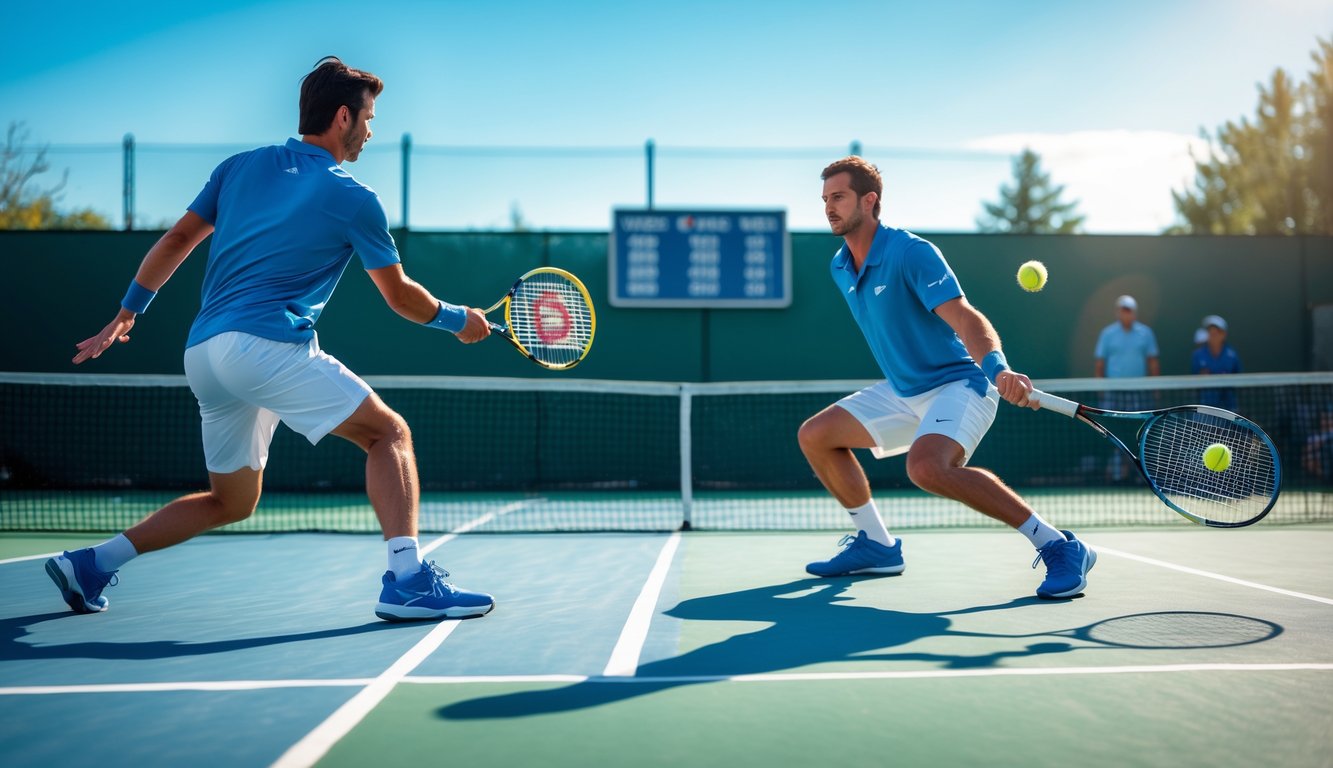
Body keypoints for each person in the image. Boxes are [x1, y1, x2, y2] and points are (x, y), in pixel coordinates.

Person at [46, 57, 495, 622]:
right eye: (368, 118)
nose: (370, 131)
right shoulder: (354, 197)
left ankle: (91, 563)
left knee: (232, 500)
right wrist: (460, 320)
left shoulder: (239, 167)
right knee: (389, 435)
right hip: (265, 347)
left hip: (204, 354)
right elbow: (400, 296)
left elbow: (179, 237)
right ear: (341, 117)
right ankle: (407, 580)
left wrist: (128, 311)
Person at [797, 156, 1094, 600]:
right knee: (816, 435)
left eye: (838, 197)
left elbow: (964, 317)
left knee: (926, 468)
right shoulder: (840, 266)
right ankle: (877, 546)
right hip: (904, 391)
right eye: (824, 199)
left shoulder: (910, 252)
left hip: (960, 385)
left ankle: (1059, 546)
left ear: (870, 200)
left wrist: (998, 369)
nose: (828, 207)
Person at [1093, 294, 1159, 480]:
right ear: (1117, 313)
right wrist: (1101, 389)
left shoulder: (1145, 334)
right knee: (1114, 431)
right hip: (1114, 392)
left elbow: (1152, 362)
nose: (1125, 314)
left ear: (1134, 313)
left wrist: (1155, 388)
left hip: (1139, 392)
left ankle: (1141, 473)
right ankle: (1115, 472)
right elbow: (1100, 363)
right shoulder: (1108, 334)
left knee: (1141, 431)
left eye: (1128, 310)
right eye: (1122, 310)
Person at [1190, 314, 1241, 410]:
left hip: (1228, 408)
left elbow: (1238, 379)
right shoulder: (1197, 355)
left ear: (1223, 334)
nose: (1212, 336)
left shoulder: (1232, 355)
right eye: (1210, 333)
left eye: (1216, 333)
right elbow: (1194, 380)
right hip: (1205, 409)